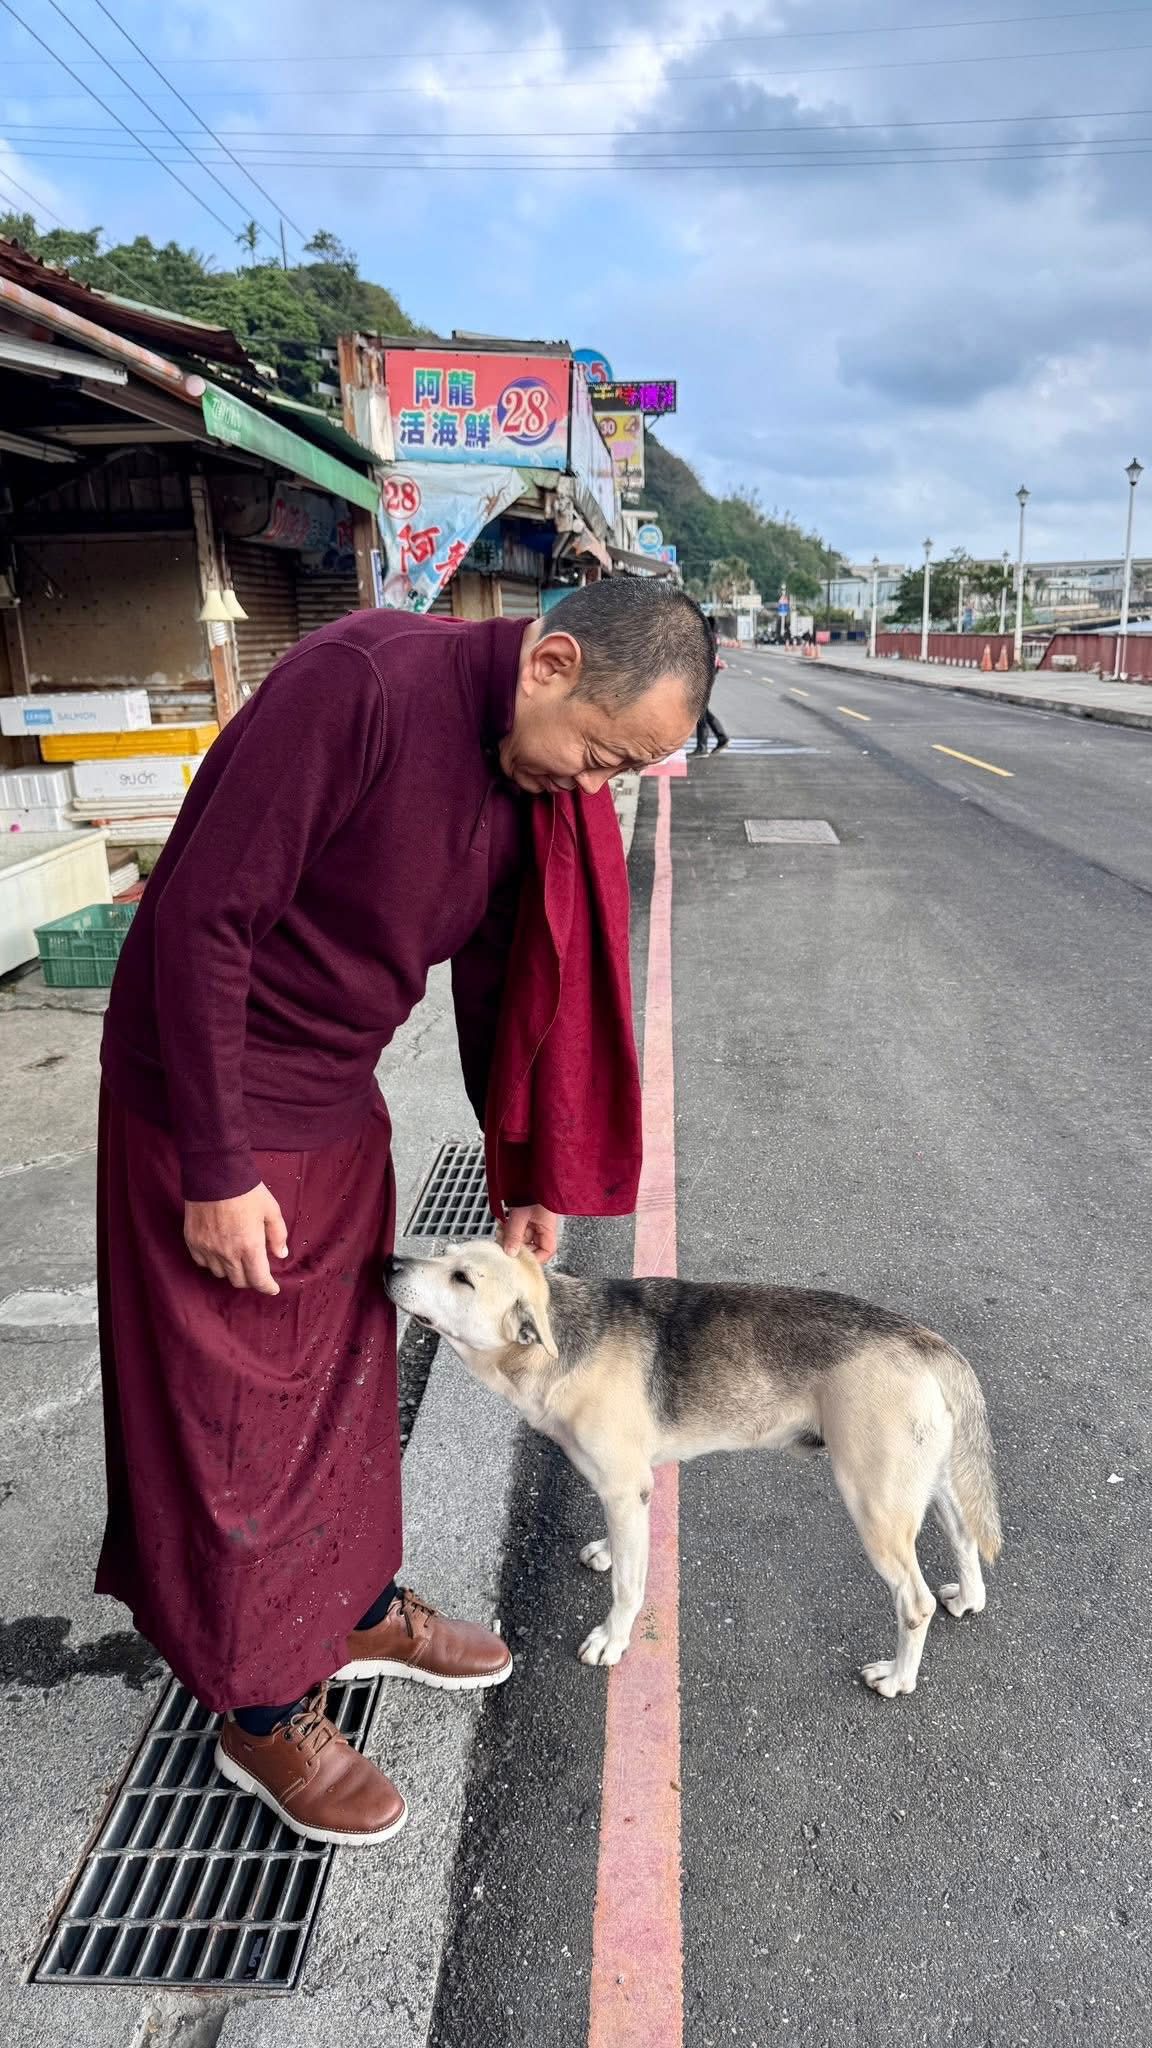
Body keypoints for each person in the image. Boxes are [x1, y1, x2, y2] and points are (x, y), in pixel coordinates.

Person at [94, 578, 712, 1849]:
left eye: (624, 773)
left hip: (334, 1098)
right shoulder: (360, 686)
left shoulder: (526, 779)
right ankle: (259, 1706)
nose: (596, 789)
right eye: (602, 753)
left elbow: (505, 978)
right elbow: (201, 921)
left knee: (343, 1374)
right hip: (210, 1099)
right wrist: (214, 1163)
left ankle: (357, 1605)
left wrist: (521, 1166)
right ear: (548, 661)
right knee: (235, 1414)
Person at [694, 655, 730, 753]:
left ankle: (702, 746)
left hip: (705, 669)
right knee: (702, 709)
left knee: (701, 709)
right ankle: (721, 738)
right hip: (704, 668)